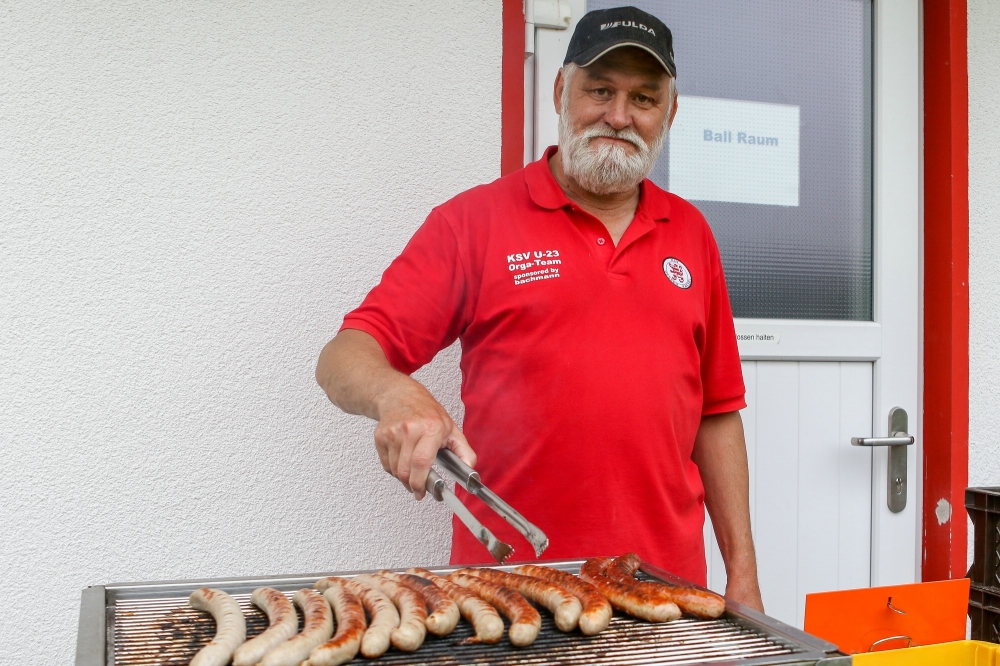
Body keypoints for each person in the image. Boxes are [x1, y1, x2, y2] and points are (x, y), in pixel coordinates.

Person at [316, 5, 764, 611]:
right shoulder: (474, 223)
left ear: (670, 112)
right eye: (599, 90)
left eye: (644, 98)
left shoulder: (691, 233)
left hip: (665, 589)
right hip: (507, 594)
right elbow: (345, 354)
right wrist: (395, 394)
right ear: (561, 89)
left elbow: (716, 413)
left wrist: (743, 573)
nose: (618, 116)